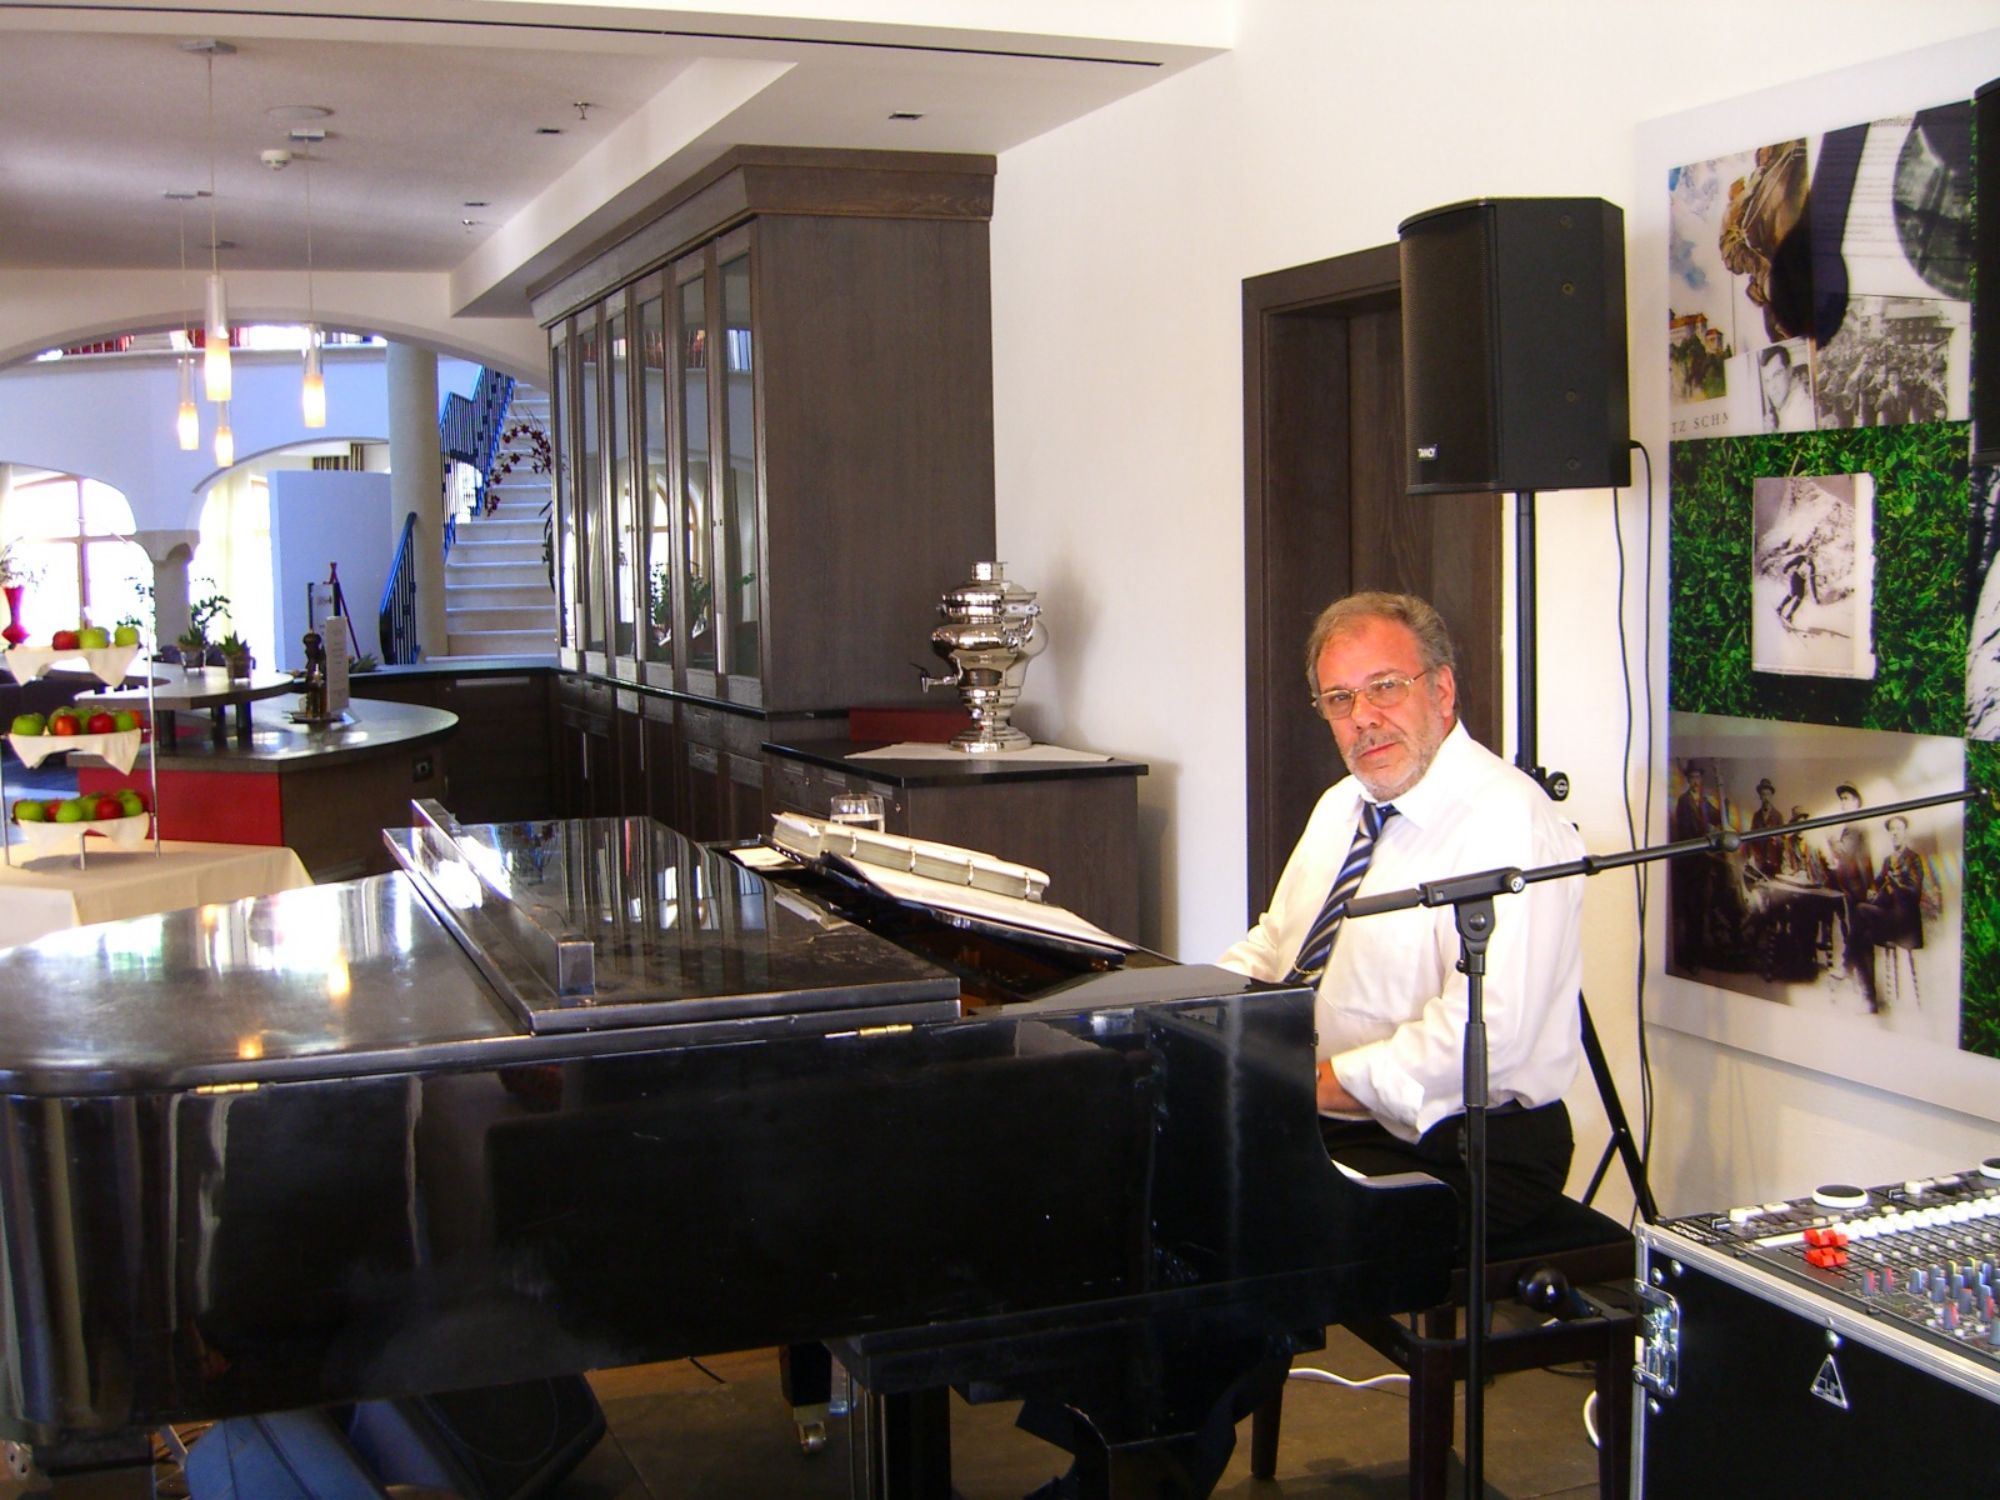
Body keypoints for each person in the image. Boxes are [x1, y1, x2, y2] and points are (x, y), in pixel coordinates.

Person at [1217, 591, 1586, 1238]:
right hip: (1327, 1108)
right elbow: (1277, 945)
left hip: (1461, 1142)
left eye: (1385, 687)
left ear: (1441, 691)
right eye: (1339, 699)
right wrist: (1193, 1014)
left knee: (1248, 1227)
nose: (1363, 717)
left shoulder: (1509, 822)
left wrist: (1311, 1084)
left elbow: (1485, 1039)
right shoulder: (1343, 804)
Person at [1758, 344, 1813, 431]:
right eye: (1767, 380)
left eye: (1777, 375)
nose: (1772, 387)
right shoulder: (1785, 409)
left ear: (1789, 370)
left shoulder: (1803, 411)